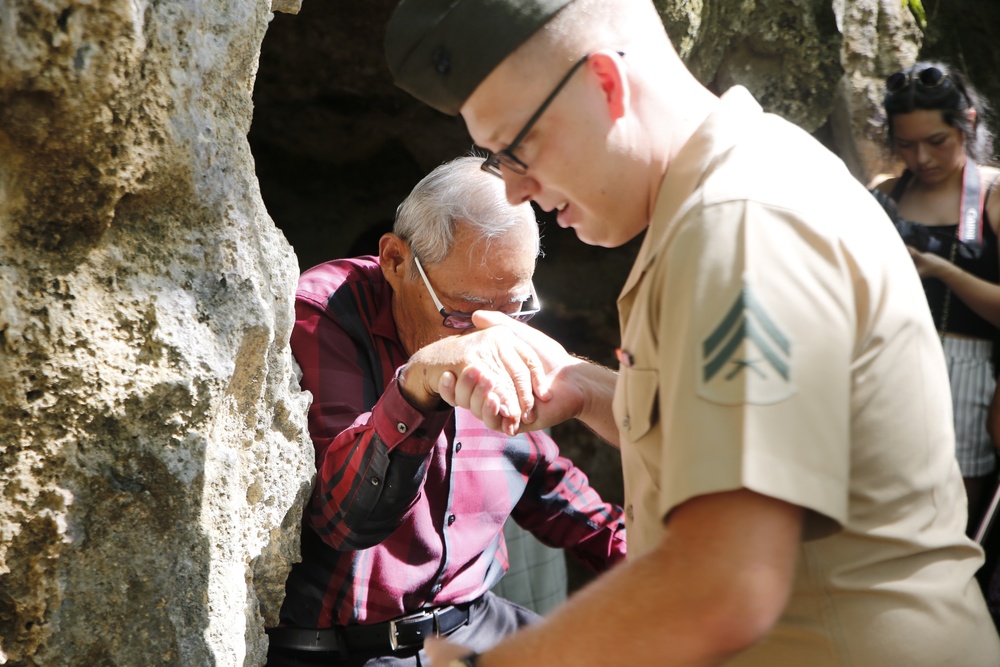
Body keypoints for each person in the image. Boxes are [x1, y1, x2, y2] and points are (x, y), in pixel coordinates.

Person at [383, 1, 1000, 665]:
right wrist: (585, 387)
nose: (514, 191)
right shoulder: (727, 193)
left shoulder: (740, 222)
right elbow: (740, 444)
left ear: (605, 84)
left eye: (516, 149)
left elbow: (723, 581)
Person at [266, 156, 627, 667]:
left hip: (476, 622)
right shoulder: (324, 312)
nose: (488, 336)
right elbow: (345, 522)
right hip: (349, 647)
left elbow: (542, 476)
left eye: (512, 310)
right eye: (461, 312)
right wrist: (418, 384)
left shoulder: (497, 328)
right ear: (395, 261)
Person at [870, 61, 1000, 533]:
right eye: (905, 144)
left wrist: (940, 269)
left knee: (951, 524)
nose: (920, 158)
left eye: (936, 142)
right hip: (883, 363)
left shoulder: (991, 196)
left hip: (964, 370)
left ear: (967, 123)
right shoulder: (885, 194)